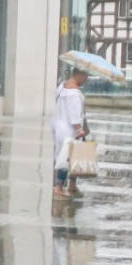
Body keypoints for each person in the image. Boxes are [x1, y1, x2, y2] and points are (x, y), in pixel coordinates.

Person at [52, 68, 89, 198]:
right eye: (86, 77)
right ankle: (59, 187)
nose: (86, 80)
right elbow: (75, 114)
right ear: (80, 75)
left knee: (71, 157)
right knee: (67, 159)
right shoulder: (74, 93)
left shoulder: (62, 86)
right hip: (70, 130)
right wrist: (79, 128)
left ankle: (71, 185)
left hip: (59, 126)